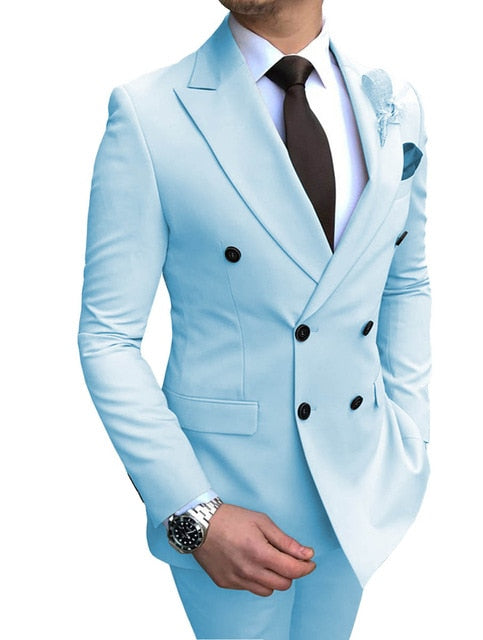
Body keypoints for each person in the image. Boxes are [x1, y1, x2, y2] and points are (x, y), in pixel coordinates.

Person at [77, 0, 431, 638]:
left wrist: (411, 436)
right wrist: (193, 514)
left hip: (359, 484)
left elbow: (405, 280)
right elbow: (108, 337)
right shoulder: (150, 112)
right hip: (227, 496)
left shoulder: (394, 103)